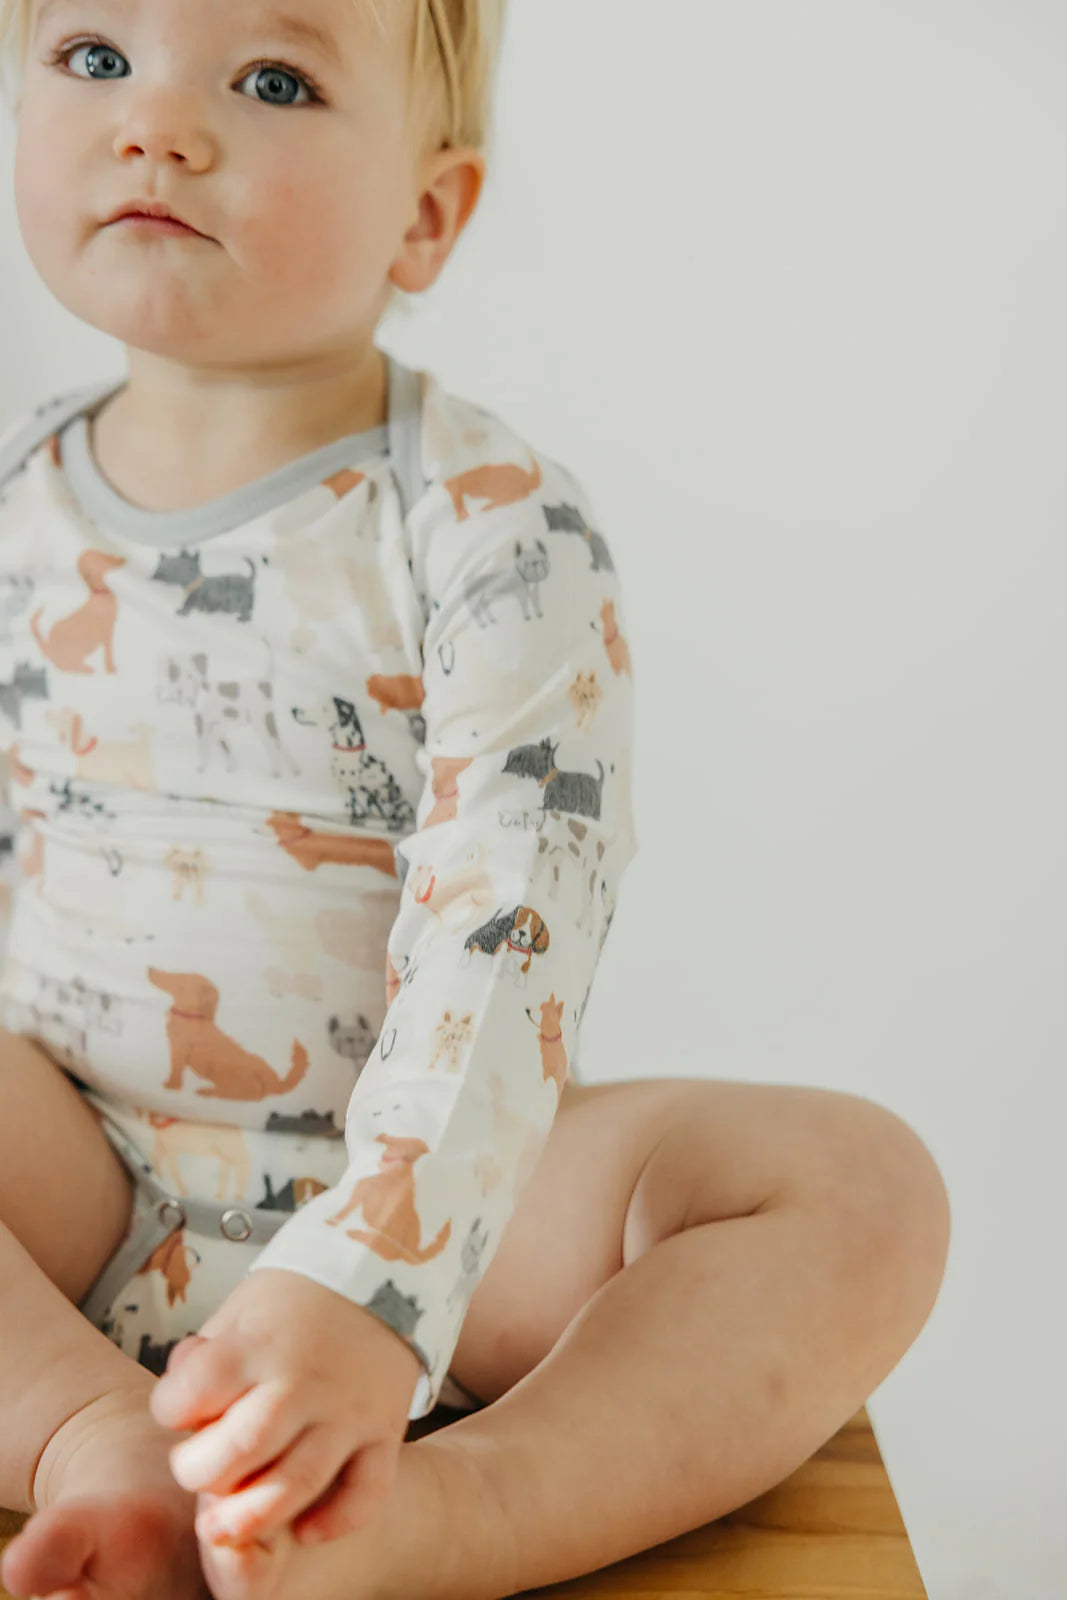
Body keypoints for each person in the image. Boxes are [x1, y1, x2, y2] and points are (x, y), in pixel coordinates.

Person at [0, 2, 953, 1598]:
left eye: (273, 78)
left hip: (448, 1208)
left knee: (861, 1192)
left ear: (427, 214)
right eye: (97, 57)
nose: (155, 123)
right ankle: (89, 1437)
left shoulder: (494, 526)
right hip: (71, 1172)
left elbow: (512, 925)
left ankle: (452, 1514)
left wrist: (375, 1276)